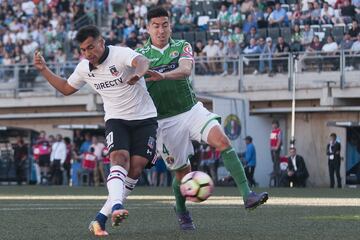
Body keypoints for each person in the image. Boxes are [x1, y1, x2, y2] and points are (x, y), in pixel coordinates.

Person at [93, 7, 268, 236]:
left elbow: (186, 70)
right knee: (182, 174)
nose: (161, 29)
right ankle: (182, 209)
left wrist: (163, 75)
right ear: (148, 28)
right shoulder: (139, 56)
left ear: (170, 25)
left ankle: (247, 195)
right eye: (156, 25)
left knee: (223, 141)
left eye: (165, 24)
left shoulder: (181, 46)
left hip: (191, 110)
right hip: (164, 122)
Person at [33, 25, 158, 237]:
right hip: (116, 119)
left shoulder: (121, 54)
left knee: (136, 169)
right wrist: (44, 69)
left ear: (102, 42)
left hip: (145, 118)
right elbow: (66, 88)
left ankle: (100, 219)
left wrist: (138, 74)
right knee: (119, 159)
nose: (88, 53)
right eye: (84, 50)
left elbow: (143, 61)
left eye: (91, 47)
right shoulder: (84, 68)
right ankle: (117, 206)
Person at [270, 120, 282, 186]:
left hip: (275, 149)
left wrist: (277, 147)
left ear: (277, 124)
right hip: (272, 149)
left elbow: (279, 139)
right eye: (272, 124)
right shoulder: (272, 131)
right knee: (274, 162)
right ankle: (274, 171)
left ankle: (277, 172)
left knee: (276, 162)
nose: (273, 125)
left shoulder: (279, 131)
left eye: (274, 124)